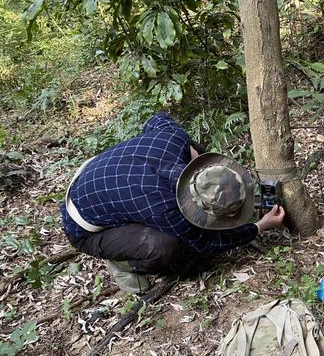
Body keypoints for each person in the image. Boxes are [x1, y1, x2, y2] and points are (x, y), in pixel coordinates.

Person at [60, 112, 285, 293]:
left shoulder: (174, 136)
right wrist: (259, 226)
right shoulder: (165, 208)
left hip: (99, 179)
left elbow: (156, 118)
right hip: (84, 227)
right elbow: (204, 242)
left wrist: (193, 153)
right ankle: (123, 264)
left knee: (192, 146)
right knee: (166, 247)